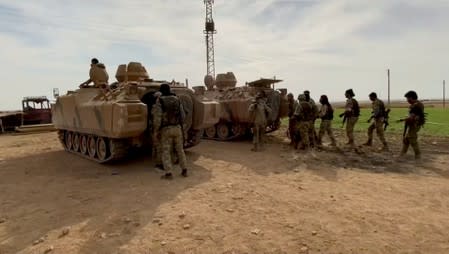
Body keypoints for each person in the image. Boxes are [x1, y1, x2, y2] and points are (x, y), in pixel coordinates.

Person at [153, 84, 188, 179]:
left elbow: (157, 118)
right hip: (177, 128)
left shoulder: (160, 101)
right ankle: (184, 170)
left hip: (166, 130)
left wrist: (156, 131)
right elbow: (183, 116)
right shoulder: (177, 99)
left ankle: (168, 173)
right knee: (180, 150)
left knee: (166, 151)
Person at [399, 90, 425, 160]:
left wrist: (404, 119)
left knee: (412, 140)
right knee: (406, 139)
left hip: (414, 125)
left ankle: (418, 156)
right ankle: (402, 154)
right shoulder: (417, 104)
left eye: (408, 98)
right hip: (413, 124)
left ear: (412, 97)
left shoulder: (416, 105)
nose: (407, 100)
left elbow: (412, 117)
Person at [151, 92, 163, 170]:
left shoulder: (156, 107)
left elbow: (156, 120)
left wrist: (156, 131)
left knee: (157, 146)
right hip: (167, 127)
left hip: (158, 128)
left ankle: (159, 163)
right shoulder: (165, 105)